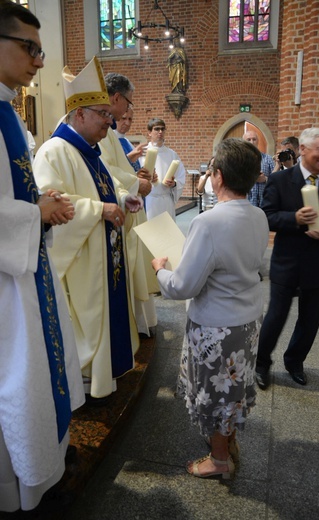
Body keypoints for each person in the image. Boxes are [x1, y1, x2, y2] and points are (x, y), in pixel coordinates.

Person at [0, 2, 84, 512]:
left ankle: (39, 469)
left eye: (41, 49)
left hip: (24, 269)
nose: (38, 61)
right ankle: (17, 486)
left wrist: (37, 209)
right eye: (29, 48)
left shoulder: (7, 111)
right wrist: (36, 212)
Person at [152, 138, 269, 479]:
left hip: (216, 329)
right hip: (246, 321)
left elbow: (183, 286)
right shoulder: (258, 215)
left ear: (216, 176)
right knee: (232, 390)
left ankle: (219, 461)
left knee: (217, 394)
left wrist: (160, 268)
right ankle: (226, 441)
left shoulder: (208, 222)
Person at [34, 57, 144, 400]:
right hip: (81, 263)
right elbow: (53, 208)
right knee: (86, 321)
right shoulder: (53, 151)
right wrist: (99, 209)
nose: (110, 123)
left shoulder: (89, 152)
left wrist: (124, 198)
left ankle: (104, 377)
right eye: (104, 114)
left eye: (110, 116)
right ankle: (84, 382)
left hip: (103, 255)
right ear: (79, 114)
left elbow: (109, 183)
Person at [255, 127, 319, 390]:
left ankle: (295, 361)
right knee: (276, 315)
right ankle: (261, 362)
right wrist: (293, 219)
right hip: (287, 261)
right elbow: (268, 216)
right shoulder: (280, 181)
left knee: (310, 320)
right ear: (303, 150)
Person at [99, 72, 158, 338]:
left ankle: (138, 323)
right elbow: (104, 169)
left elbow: (116, 167)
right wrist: (135, 184)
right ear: (117, 97)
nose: (128, 111)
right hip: (113, 211)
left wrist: (138, 177)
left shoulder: (107, 130)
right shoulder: (102, 129)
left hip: (126, 205)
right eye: (129, 104)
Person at [142, 117, 186, 221]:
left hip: (166, 200)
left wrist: (174, 183)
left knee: (167, 233)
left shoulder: (172, 154)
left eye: (162, 129)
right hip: (149, 200)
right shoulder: (143, 153)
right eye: (156, 129)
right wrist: (148, 180)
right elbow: (136, 175)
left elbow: (181, 175)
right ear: (149, 132)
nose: (160, 132)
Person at [243, 130, 274, 207]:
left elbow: (276, 180)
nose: (252, 142)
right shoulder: (239, 160)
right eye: (248, 139)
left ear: (258, 141)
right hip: (245, 202)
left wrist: (265, 179)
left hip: (264, 202)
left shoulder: (268, 159)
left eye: (254, 139)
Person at [113, 106, 147, 173]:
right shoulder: (108, 140)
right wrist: (130, 157)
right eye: (123, 118)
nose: (127, 123)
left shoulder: (128, 142)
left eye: (130, 119)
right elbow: (112, 168)